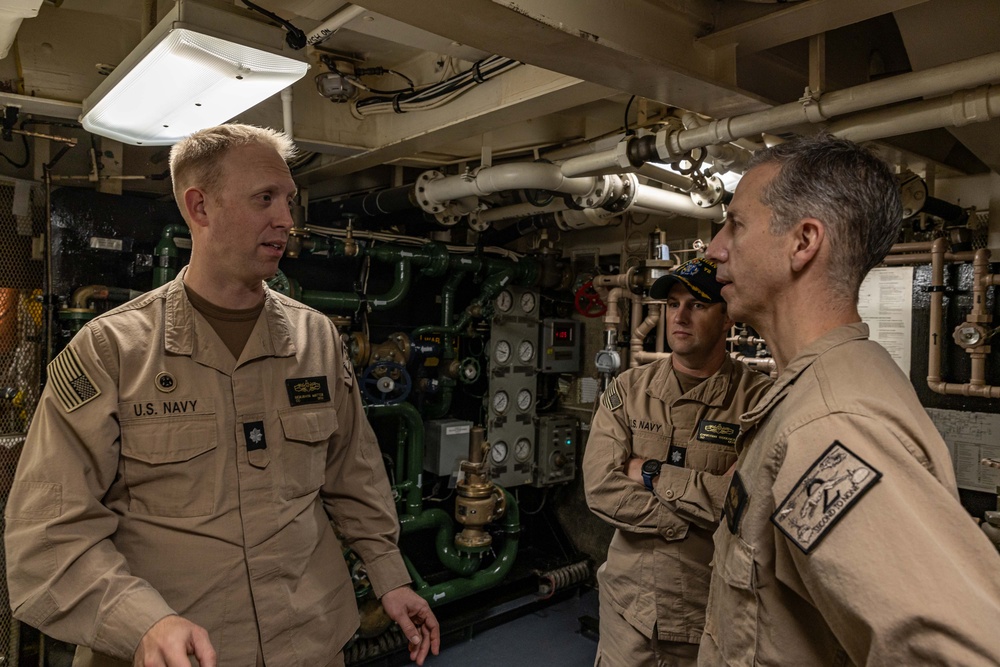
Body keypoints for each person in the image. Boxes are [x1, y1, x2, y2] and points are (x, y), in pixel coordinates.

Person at [4, 124, 440, 667]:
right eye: (265, 199)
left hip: (309, 645)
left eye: (288, 200)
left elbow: (354, 474)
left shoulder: (316, 339)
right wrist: (143, 621)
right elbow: (48, 535)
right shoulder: (113, 350)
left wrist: (390, 577)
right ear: (199, 207)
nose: (286, 219)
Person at [700, 134, 1000, 665]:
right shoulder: (843, 378)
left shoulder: (828, 423)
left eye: (736, 224)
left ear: (803, 242)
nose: (713, 249)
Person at [583, 257, 772, 666]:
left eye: (698, 305)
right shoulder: (629, 390)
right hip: (628, 613)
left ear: (727, 319)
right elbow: (600, 489)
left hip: (709, 615)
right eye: (672, 304)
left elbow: (747, 505)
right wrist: (690, 517)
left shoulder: (756, 401)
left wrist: (649, 472)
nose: (680, 317)